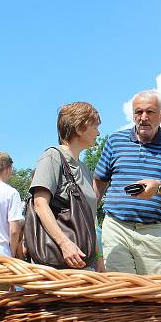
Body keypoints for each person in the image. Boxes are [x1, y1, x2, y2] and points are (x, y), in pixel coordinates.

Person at [93, 90, 161, 274]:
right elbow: (98, 183)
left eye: (150, 112)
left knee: (151, 294)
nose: (143, 117)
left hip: (154, 232)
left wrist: (158, 187)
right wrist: (88, 217)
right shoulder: (115, 141)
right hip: (117, 228)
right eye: (138, 112)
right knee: (119, 289)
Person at [29, 102, 103, 270]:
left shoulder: (84, 169)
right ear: (79, 127)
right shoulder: (52, 156)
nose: (98, 133)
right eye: (95, 126)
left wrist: (98, 258)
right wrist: (65, 244)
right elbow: (40, 204)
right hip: (58, 264)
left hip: (84, 262)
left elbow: (89, 219)